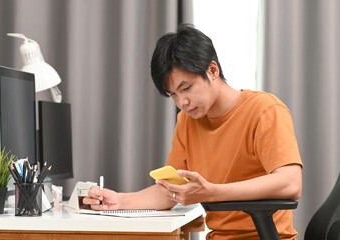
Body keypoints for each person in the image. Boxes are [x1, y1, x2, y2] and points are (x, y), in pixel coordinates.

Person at [83, 24, 303, 240]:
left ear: (212, 70)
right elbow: (168, 192)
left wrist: (212, 192)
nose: (182, 103)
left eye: (186, 88)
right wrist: (119, 201)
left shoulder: (265, 110)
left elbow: (290, 183)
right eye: (173, 95)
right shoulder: (187, 121)